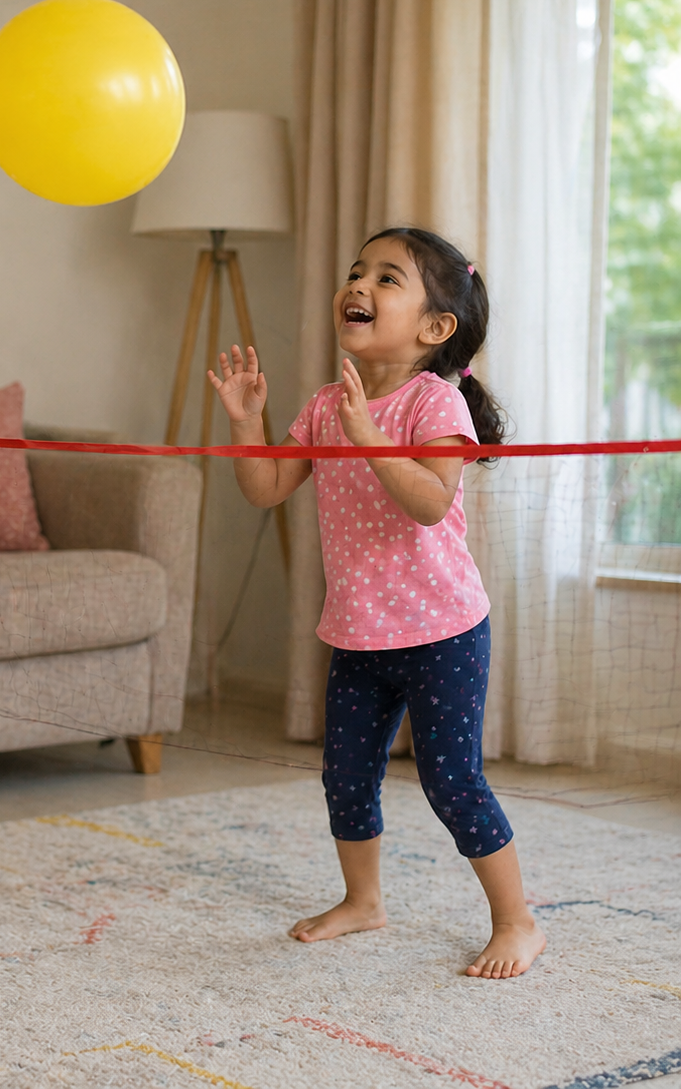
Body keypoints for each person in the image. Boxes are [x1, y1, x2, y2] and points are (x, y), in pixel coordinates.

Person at [210, 227, 546, 980]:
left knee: (452, 782)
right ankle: (363, 901)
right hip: (361, 635)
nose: (358, 284)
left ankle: (517, 920)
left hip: (443, 632)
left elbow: (430, 503)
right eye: (357, 271)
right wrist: (245, 420)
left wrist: (369, 436)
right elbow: (266, 489)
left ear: (435, 328)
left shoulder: (436, 403)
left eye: (386, 278)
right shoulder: (331, 404)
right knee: (346, 776)